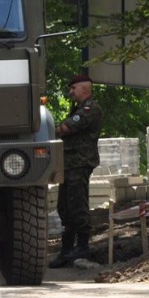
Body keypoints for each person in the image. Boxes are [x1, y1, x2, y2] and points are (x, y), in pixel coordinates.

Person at [49, 73, 103, 268]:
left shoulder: (90, 109)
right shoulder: (78, 109)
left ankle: (82, 246)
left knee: (77, 205)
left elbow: (66, 128)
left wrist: (47, 130)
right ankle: (66, 249)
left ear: (84, 88)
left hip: (79, 163)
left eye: (73, 88)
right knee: (64, 206)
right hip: (69, 164)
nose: (70, 92)